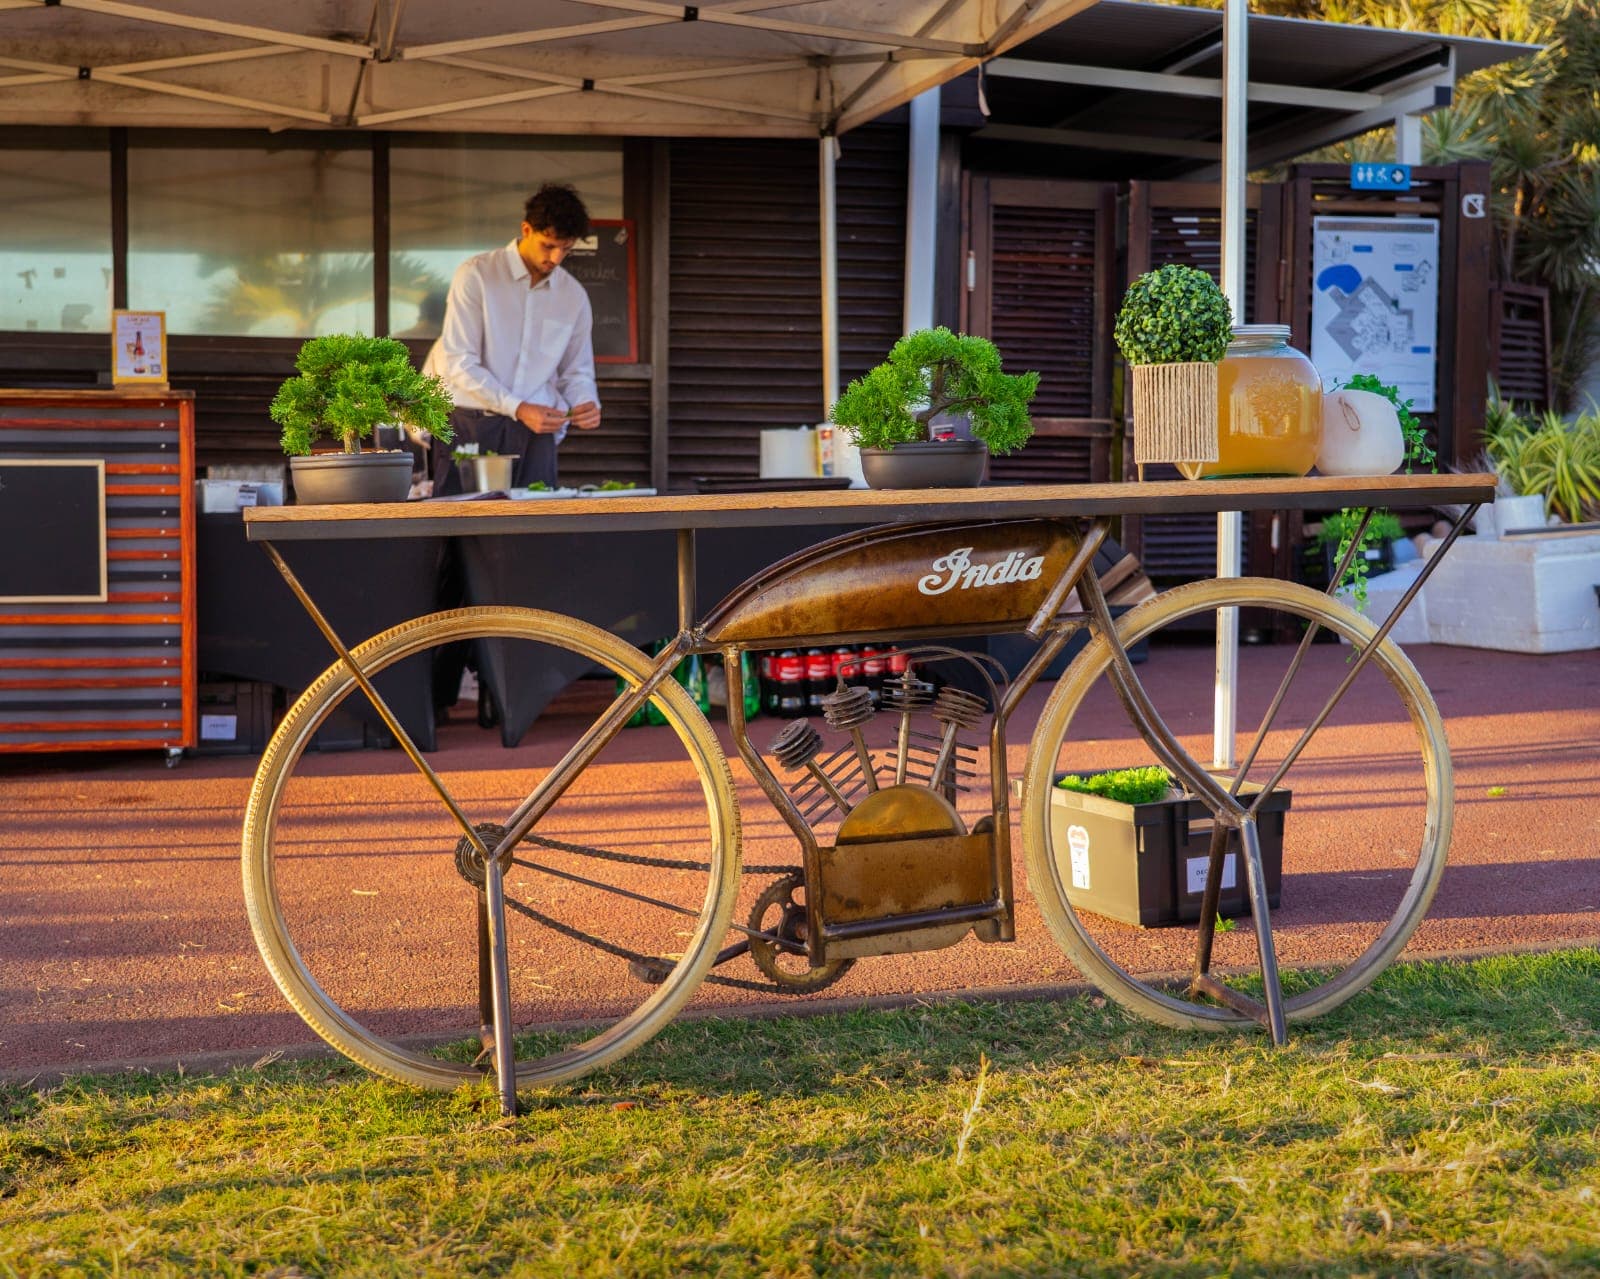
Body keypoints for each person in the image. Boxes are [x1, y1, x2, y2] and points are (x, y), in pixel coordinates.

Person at [426, 183, 602, 495]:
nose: (557, 258)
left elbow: (577, 371)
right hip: (471, 422)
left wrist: (585, 400)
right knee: (459, 529)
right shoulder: (477, 275)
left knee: (536, 531)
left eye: (567, 248)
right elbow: (459, 361)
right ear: (526, 229)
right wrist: (518, 407)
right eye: (549, 245)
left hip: (536, 433)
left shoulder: (573, 295)